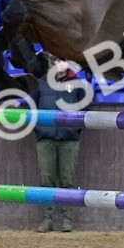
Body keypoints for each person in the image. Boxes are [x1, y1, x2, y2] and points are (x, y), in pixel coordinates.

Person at [32, 55, 89, 232]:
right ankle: (47, 220)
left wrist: (74, 129)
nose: (61, 63)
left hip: (69, 139)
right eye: (56, 60)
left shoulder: (79, 83)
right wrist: (40, 129)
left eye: (64, 59)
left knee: (68, 180)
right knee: (46, 180)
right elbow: (31, 108)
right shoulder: (40, 83)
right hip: (46, 138)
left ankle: (67, 219)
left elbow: (85, 109)